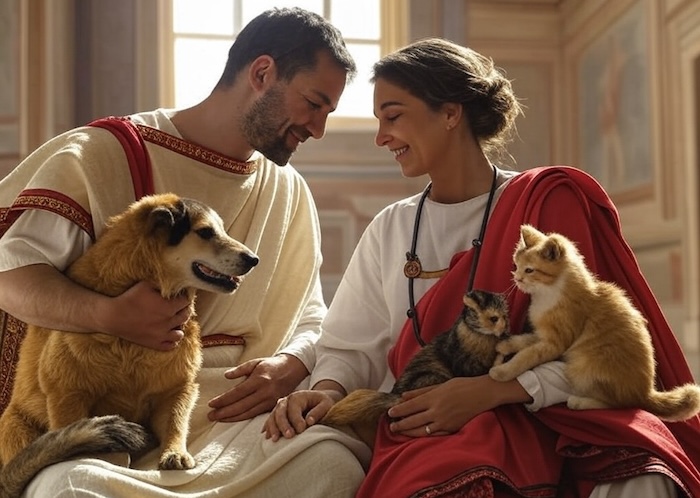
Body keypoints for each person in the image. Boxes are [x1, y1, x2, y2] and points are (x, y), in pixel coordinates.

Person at [265, 38, 700, 497]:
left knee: (644, 477)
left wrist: (493, 391)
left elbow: (597, 346)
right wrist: (329, 390)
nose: (381, 138)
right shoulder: (390, 228)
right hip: (432, 419)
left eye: (393, 116)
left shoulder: (547, 202)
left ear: (451, 113)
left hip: (553, 409)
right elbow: (351, 345)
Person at [0, 7, 372, 497]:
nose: (318, 128)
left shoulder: (288, 189)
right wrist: (108, 315)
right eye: (313, 104)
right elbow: (10, 274)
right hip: (111, 423)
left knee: (332, 464)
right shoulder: (102, 153)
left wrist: (293, 364)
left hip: (238, 421)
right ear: (262, 73)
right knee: (67, 487)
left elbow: (308, 312)